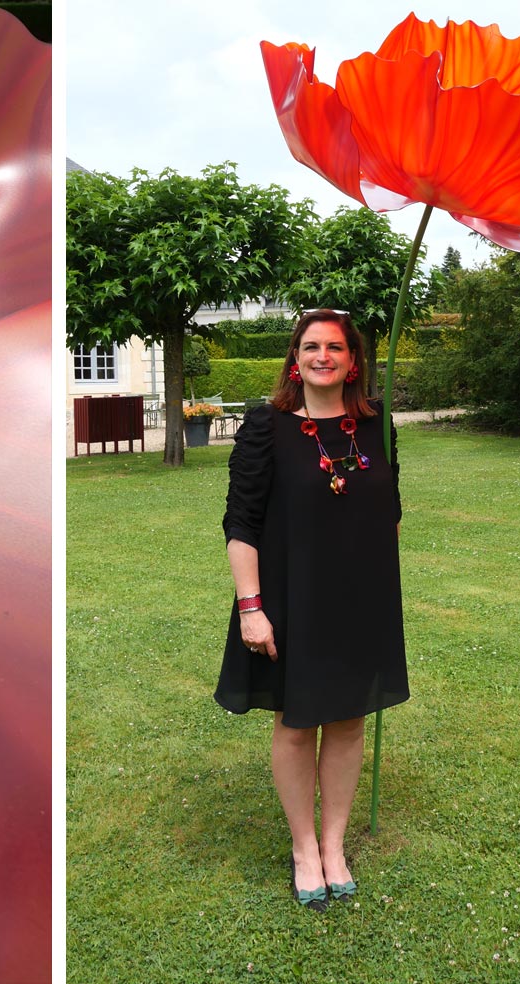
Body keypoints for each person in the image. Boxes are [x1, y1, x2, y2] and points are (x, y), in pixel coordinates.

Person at [214, 308, 409, 912]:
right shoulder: (265, 426)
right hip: (290, 598)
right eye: (310, 346)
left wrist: (378, 589)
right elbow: (241, 524)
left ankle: (334, 845)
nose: (323, 355)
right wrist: (252, 607)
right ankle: (303, 849)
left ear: (354, 362)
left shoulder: (376, 426)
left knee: (349, 721)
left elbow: (391, 508)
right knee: (296, 724)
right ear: (294, 361)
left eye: (335, 347)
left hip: (361, 600)